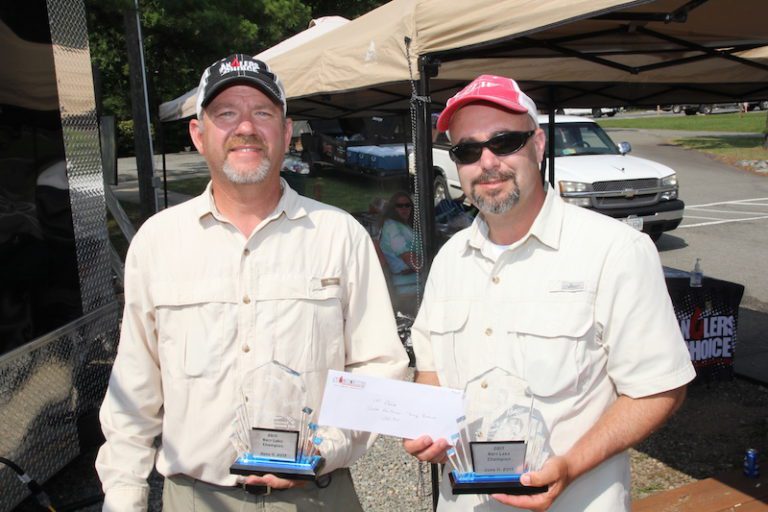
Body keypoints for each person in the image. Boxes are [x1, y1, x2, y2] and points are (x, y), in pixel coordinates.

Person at [96, 54, 409, 512]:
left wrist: (325, 447)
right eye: (226, 114)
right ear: (199, 136)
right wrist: (124, 497)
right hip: (196, 498)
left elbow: (379, 364)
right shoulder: (158, 242)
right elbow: (135, 386)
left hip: (317, 495)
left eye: (263, 113)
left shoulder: (341, 236)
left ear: (286, 135)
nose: (245, 127)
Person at [403, 75, 696, 512]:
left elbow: (658, 389)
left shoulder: (615, 251)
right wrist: (427, 426)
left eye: (504, 142)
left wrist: (572, 465)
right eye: (467, 150)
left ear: (538, 145)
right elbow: (431, 370)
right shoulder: (449, 261)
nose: (487, 162)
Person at [377, 191, 419, 296]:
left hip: (413, 280)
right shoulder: (392, 227)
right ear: (393, 209)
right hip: (408, 285)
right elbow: (410, 259)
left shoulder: (403, 225)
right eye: (399, 206)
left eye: (407, 205)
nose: (404, 209)